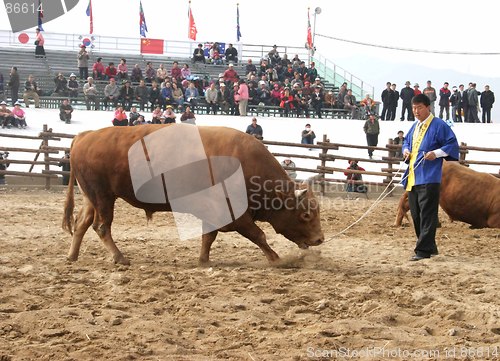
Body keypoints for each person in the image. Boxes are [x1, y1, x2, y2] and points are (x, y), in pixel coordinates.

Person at [402, 93, 459, 261]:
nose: (416, 111)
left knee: (427, 214)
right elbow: (406, 142)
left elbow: (452, 144)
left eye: (419, 107)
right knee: (416, 214)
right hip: (414, 175)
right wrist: (405, 150)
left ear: (428, 107)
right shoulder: (415, 126)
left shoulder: (439, 125)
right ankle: (430, 246)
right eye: (414, 108)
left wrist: (436, 153)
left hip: (430, 176)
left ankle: (423, 250)